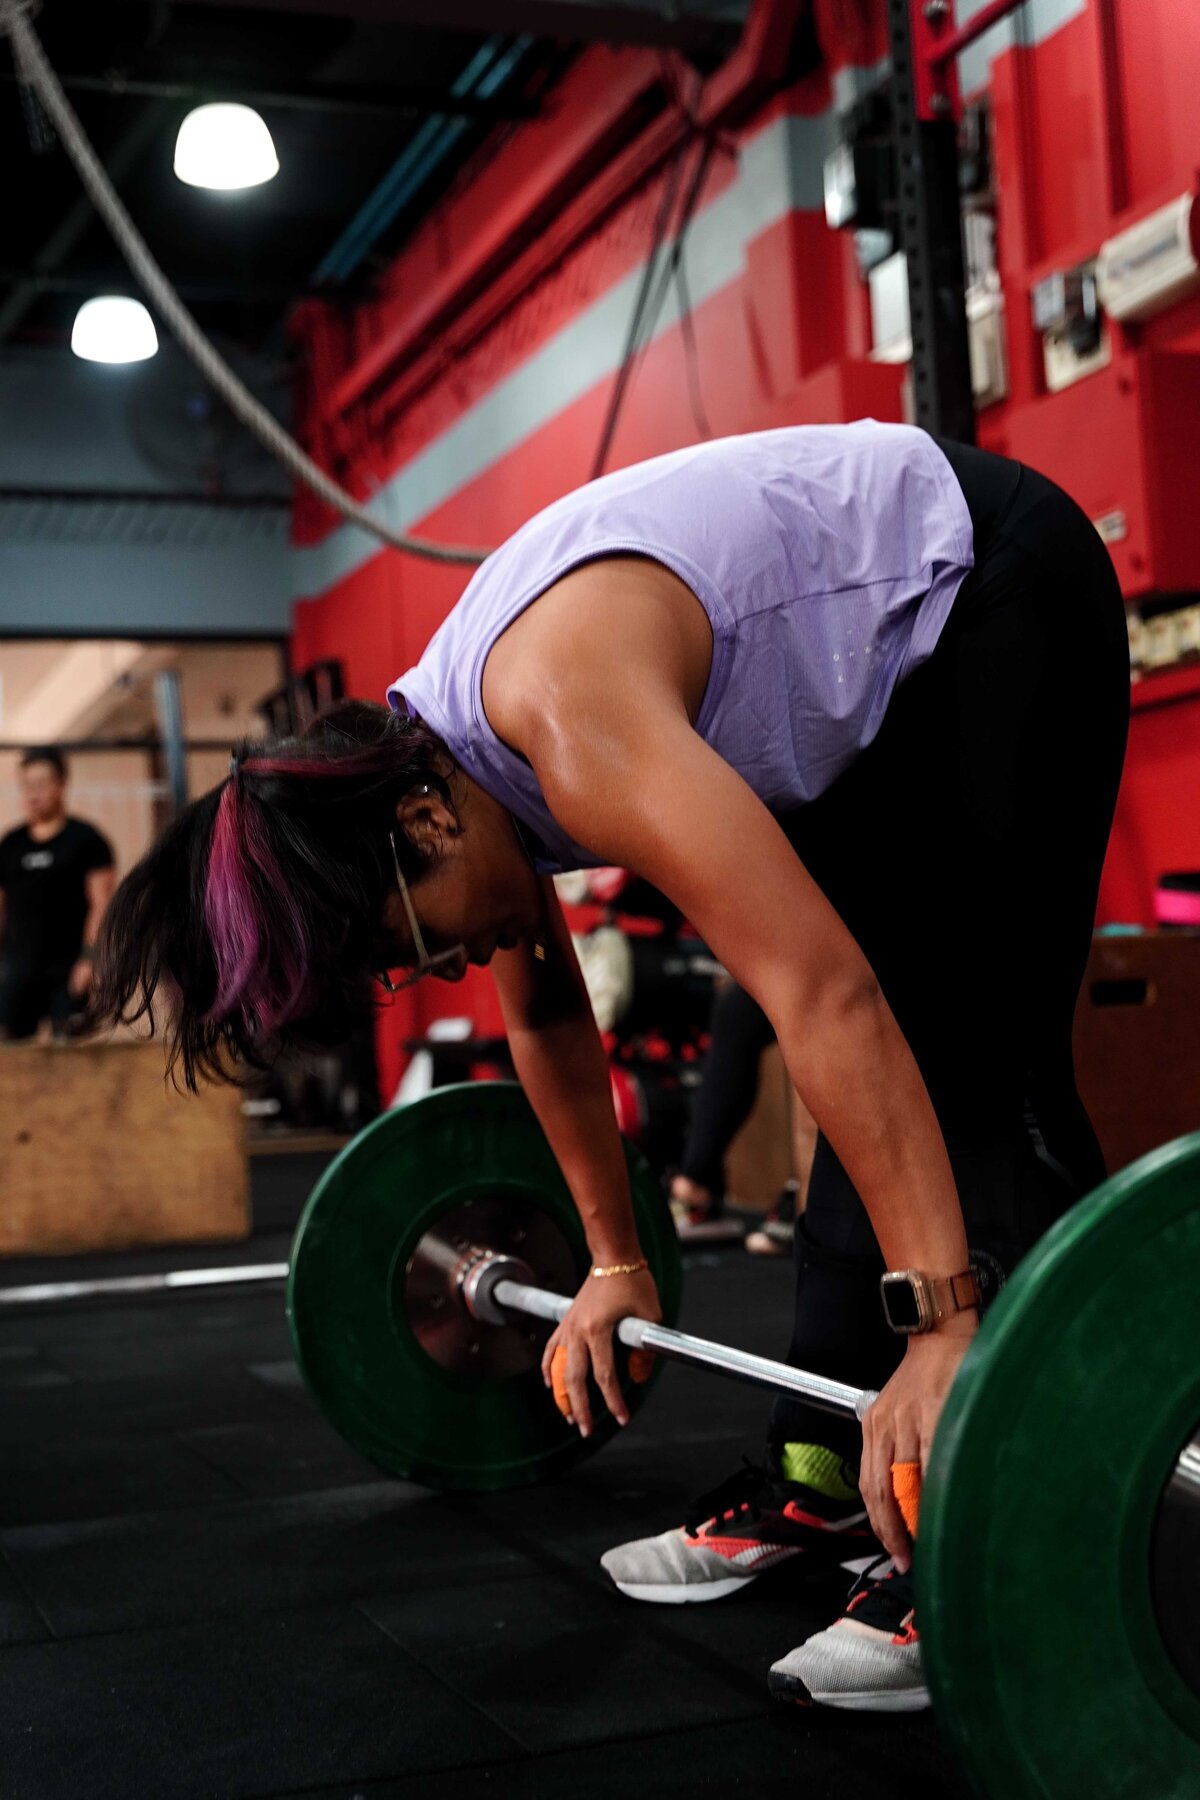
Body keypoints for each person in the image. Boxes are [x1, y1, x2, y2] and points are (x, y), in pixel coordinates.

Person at [90, 422, 1129, 1711]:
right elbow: (543, 1013)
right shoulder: (455, 766)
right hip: (879, 674)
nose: (446, 969)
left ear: (419, 822)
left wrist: (946, 1317)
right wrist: (611, 1260)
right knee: (865, 1077)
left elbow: (823, 996)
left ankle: (1036, 1502)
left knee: (967, 1047)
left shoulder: (564, 723)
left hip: (988, 584)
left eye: (411, 946)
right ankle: (821, 1476)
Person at [0, 747, 116, 1041]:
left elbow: (101, 904)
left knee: (69, 1052)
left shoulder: (87, 840)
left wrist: (89, 960)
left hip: (68, 970)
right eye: (26, 786)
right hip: (18, 970)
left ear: (61, 784)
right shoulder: (10, 845)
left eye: (40, 785)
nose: (32, 794)